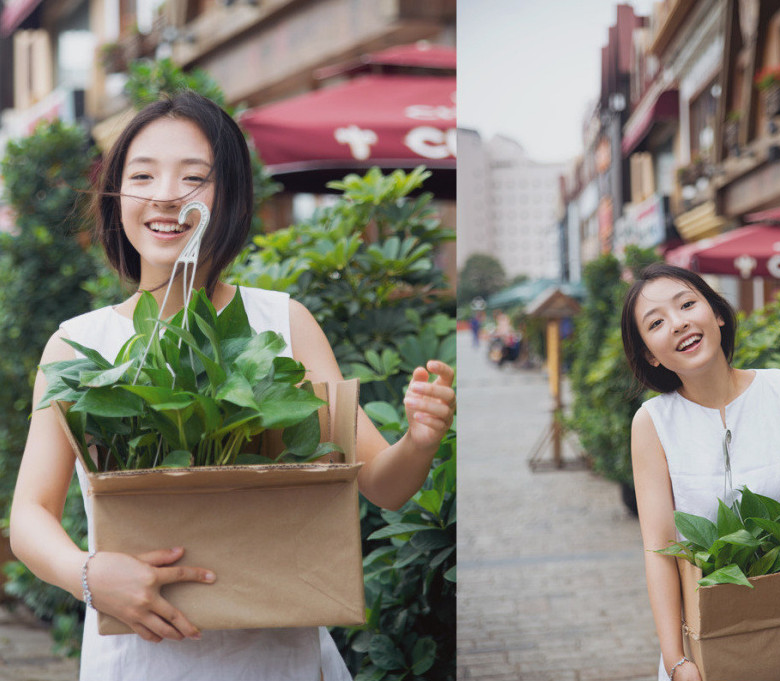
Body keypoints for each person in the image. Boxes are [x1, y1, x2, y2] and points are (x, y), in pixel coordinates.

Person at [9, 91, 455, 681]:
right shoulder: (77, 346)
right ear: (117, 195)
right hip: (138, 657)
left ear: (231, 198)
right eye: (142, 175)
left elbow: (382, 485)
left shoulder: (282, 323)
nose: (166, 195)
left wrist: (420, 441)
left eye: (194, 178)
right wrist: (89, 575)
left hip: (279, 655)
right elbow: (28, 517)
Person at [620, 263, 780, 681]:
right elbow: (659, 551)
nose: (678, 323)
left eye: (687, 304)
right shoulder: (652, 422)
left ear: (718, 313)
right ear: (651, 353)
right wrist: (676, 661)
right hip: (707, 643)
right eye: (656, 323)